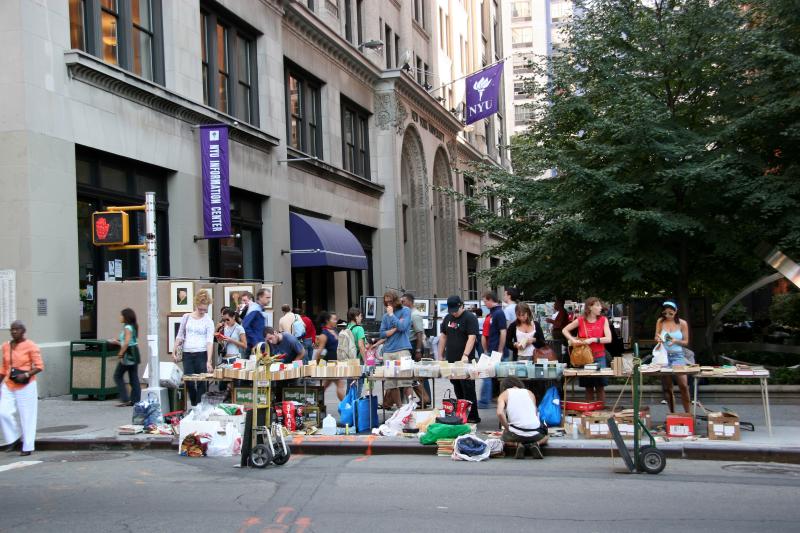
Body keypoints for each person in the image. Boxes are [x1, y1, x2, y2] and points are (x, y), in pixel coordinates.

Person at [0, 321, 44, 456]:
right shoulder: (6, 346)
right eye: (12, 329)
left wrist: (25, 374)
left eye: (17, 329)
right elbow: (3, 366)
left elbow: (39, 366)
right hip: (8, 383)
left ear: (23, 331)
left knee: (27, 416)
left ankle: (27, 446)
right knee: (3, 412)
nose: (14, 332)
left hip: (26, 384)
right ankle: (13, 438)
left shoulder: (31, 346)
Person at [437, 295, 481, 423]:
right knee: (456, 385)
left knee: (468, 387)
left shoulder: (470, 318)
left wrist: (466, 355)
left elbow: (472, 337)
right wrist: (440, 355)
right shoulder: (447, 318)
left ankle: (473, 415)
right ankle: (462, 413)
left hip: (465, 360)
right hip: (451, 359)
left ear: (462, 305)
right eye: (452, 311)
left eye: (456, 310)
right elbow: (443, 336)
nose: (454, 313)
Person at [562, 297, 612, 403]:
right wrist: (573, 340)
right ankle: (589, 414)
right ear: (590, 307)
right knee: (588, 387)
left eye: (600, 305)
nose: (600, 307)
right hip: (584, 357)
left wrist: (593, 340)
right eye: (597, 305)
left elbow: (608, 339)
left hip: (599, 356)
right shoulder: (581, 320)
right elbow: (564, 330)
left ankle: (601, 412)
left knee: (600, 386)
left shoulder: (603, 320)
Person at [174, 291, 215, 407]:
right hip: (187, 353)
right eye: (200, 309)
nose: (202, 311)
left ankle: (198, 406)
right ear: (196, 305)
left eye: (205, 309)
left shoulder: (208, 321)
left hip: (201, 353)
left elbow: (209, 341)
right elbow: (180, 335)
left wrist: (208, 360)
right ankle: (194, 404)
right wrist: (174, 350)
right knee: (189, 382)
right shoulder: (186, 317)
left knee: (202, 381)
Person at [496, 377, 548, 459]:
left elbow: (499, 413)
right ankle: (536, 444)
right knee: (546, 437)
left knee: (502, 439)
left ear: (504, 387)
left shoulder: (504, 394)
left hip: (516, 434)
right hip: (535, 433)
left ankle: (518, 445)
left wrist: (507, 428)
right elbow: (535, 412)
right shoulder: (530, 393)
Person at [654, 301, 691, 412]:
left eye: (671, 313)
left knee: (683, 385)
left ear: (675, 311)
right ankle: (672, 413)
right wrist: (658, 339)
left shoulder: (682, 323)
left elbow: (686, 342)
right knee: (668, 388)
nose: (668, 316)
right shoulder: (660, 321)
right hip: (664, 355)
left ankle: (687, 413)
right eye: (665, 313)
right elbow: (656, 335)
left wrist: (675, 341)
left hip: (677, 355)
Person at [379, 290, 413, 409]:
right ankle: (400, 408)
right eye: (386, 302)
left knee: (406, 381)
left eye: (390, 301)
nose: (388, 304)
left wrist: (392, 315)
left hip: (402, 349)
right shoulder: (385, 316)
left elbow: (402, 327)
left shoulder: (405, 311)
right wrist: (393, 329)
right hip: (388, 352)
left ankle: (409, 407)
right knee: (391, 383)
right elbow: (382, 334)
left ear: (395, 300)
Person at [401, 292, 430, 405]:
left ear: (409, 302)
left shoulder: (415, 315)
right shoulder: (406, 314)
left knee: (419, 374)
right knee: (411, 374)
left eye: (403, 301)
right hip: (409, 345)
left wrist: (418, 350)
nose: (402, 303)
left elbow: (419, 333)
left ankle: (426, 399)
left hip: (415, 345)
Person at [110, 308, 141, 407]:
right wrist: (118, 340)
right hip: (134, 352)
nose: (120, 317)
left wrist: (120, 353)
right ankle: (135, 400)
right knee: (133, 377)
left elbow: (127, 342)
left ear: (125, 317)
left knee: (117, 375)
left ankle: (124, 398)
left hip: (128, 354)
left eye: (121, 315)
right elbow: (131, 340)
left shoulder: (127, 327)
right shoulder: (133, 326)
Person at [480, 291, 507, 405]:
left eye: (485, 301)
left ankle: (485, 400)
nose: (484, 304)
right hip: (492, 349)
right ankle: (488, 398)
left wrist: (500, 350)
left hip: (496, 350)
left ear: (491, 300)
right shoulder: (492, 314)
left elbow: (503, 332)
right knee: (491, 375)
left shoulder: (499, 313)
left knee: (489, 375)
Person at [314, 311, 346, 401]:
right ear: (327, 320)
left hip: (336, 361)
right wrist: (315, 364)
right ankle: (346, 406)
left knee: (326, 384)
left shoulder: (334, 330)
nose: (336, 321)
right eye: (334, 319)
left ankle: (314, 399)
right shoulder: (324, 334)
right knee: (340, 384)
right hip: (330, 362)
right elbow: (319, 351)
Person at [546, 298, 569, 362]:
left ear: (559, 304)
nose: (554, 305)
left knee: (558, 349)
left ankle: (559, 360)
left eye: (555, 304)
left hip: (559, 334)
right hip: (558, 334)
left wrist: (551, 321)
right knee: (558, 348)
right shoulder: (561, 312)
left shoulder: (562, 312)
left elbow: (559, 324)